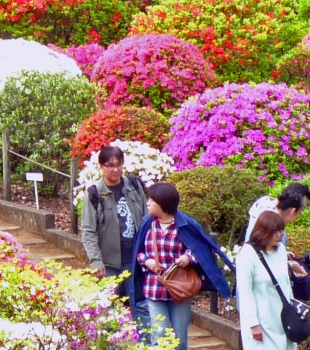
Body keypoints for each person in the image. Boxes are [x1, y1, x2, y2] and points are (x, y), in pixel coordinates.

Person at [127, 181, 230, 350]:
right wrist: (147, 261)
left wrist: (188, 258)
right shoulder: (148, 223)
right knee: (159, 335)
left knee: (180, 339)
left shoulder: (185, 225)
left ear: (162, 204)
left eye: (151, 200)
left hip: (180, 290)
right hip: (155, 288)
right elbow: (138, 252)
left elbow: (201, 251)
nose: (148, 203)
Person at [79, 144, 152, 281]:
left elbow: (146, 218)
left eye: (119, 164)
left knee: (136, 301)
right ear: (101, 166)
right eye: (110, 165)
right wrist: (96, 262)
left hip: (136, 259)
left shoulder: (134, 186)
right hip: (109, 264)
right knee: (110, 301)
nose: (115, 169)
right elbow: (88, 231)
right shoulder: (94, 195)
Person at [236, 208, 294, 350]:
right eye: (275, 232)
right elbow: (245, 292)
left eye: (281, 231)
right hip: (261, 322)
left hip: (283, 319)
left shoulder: (280, 250)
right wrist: (253, 323)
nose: (280, 235)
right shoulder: (247, 254)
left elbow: (285, 285)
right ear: (263, 232)